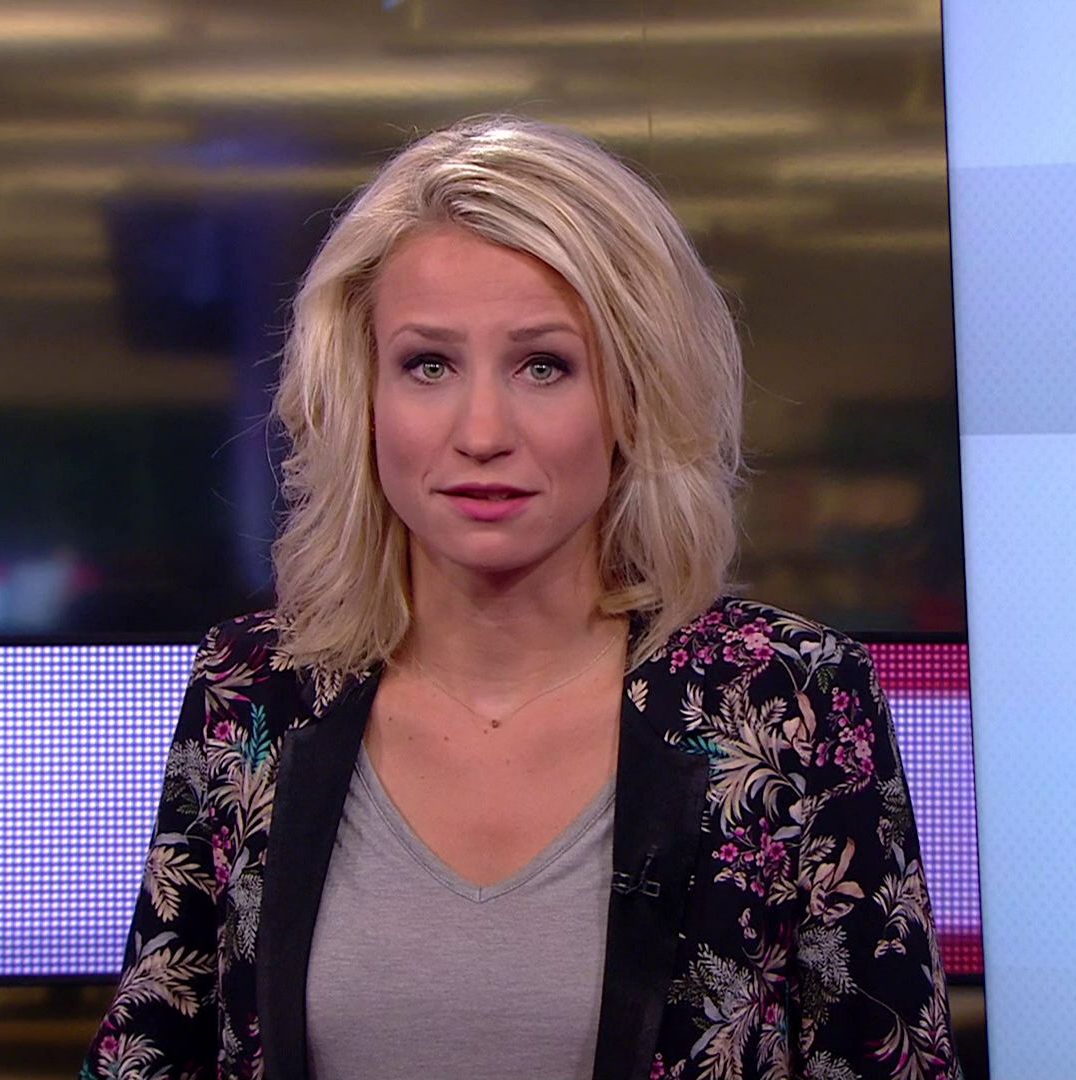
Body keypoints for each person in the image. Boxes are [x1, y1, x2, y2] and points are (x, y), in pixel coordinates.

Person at [80, 115, 962, 1080]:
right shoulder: (256, 688)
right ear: (362, 397)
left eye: (544, 366)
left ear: (632, 396)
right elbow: (153, 1047)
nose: (482, 431)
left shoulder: (788, 698)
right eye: (428, 365)